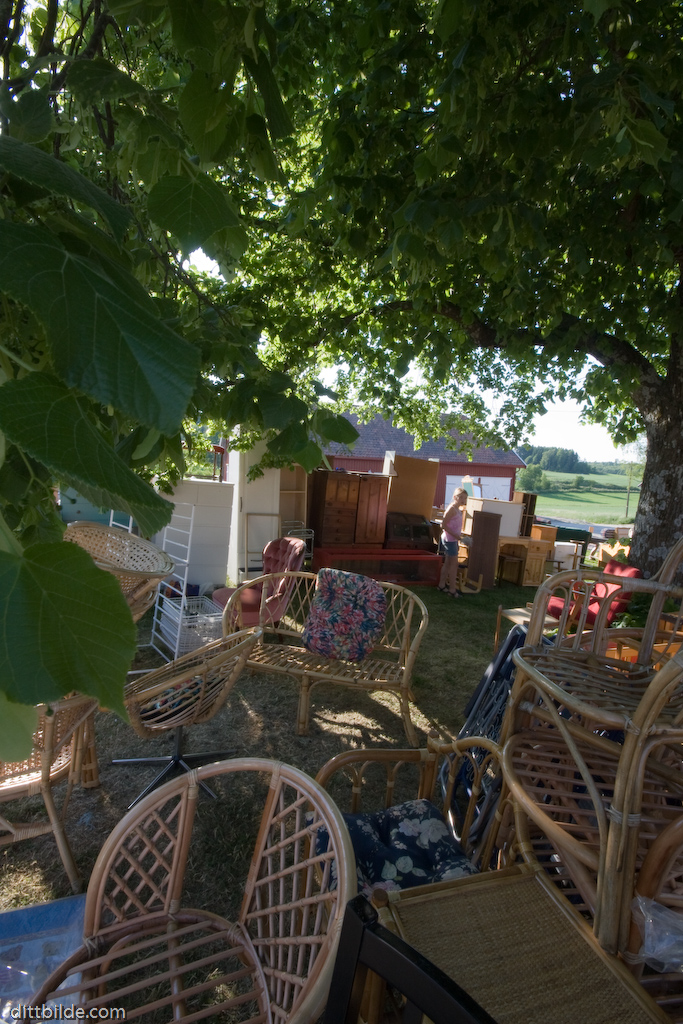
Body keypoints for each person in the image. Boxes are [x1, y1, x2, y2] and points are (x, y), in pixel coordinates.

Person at [438, 488, 469, 597]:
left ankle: (441, 585)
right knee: (454, 565)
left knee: (448, 563)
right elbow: (443, 525)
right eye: (461, 497)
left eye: (465, 498)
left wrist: (460, 537)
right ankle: (452, 590)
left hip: (453, 539)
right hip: (449, 540)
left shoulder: (458, 510)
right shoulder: (451, 509)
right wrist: (457, 536)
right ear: (455, 497)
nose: (463, 500)